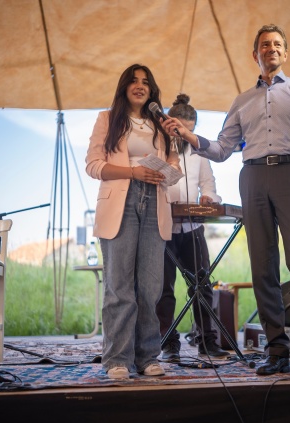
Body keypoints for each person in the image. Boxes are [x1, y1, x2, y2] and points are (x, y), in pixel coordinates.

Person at [162, 24, 290, 378]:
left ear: (285, 53)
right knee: (263, 266)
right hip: (252, 176)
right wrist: (189, 135)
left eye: (277, 44)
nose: (271, 49)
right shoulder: (241, 101)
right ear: (255, 54)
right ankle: (276, 350)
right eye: (265, 45)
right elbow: (220, 150)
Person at [85, 64, 180, 380]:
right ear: (124, 85)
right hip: (121, 202)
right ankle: (117, 359)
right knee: (119, 287)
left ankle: (148, 356)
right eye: (134, 81)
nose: (140, 86)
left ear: (152, 90)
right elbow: (94, 165)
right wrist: (133, 172)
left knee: (150, 287)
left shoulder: (160, 123)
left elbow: (173, 163)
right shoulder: (107, 119)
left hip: (155, 201)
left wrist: (167, 167)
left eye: (146, 82)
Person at [156, 93, 230, 361]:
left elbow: (208, 185)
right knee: (164, 289)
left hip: (192, 229)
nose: (182, 133)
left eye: (188, 130)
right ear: (167, 123)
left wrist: (210, 198)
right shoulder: (157, 146)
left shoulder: (199, 152)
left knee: (201, 284)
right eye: (178, 128)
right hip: (163, 227)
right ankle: (168, 344)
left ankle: (207, 341)